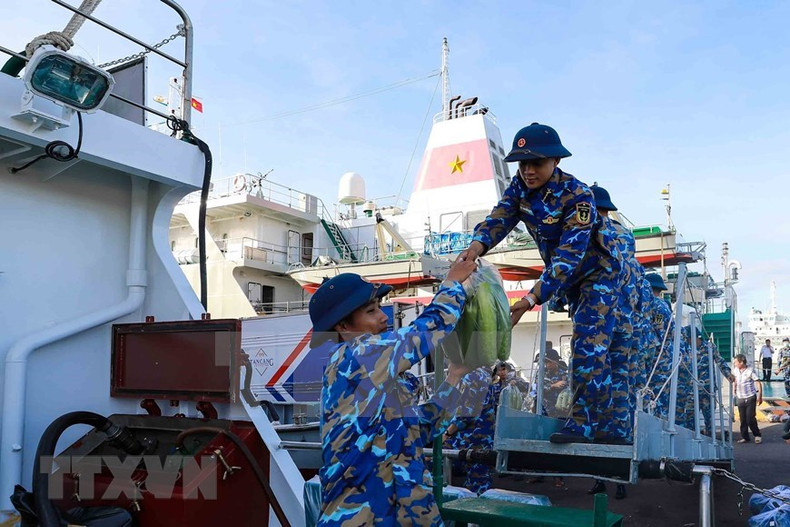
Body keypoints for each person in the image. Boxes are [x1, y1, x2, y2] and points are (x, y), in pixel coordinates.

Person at [458, 122, 625, 444]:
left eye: (536, 163)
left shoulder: (578, 196)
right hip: (566, 280)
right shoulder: (520, 187)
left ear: (555, 161)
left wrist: (529, 300)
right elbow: (499, 219)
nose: (528, 170)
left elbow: (568, 257)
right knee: (589, 349)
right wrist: (474, 250)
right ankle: (602, 425)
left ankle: (585, 426)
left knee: (589, 347)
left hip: (597, 276)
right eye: (522, 164)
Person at [311, 261, 489, 525]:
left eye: (379, 307)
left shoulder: (381, 378)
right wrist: (453, 283)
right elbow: (426, 331)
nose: (383, 317)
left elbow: (418, 431)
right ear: (343, 327)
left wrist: (454, 377)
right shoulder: (355, 357)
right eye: (371, 311)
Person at [590, 185, 640, 443]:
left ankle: (598, 430)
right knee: (621, 376)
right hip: (626, 318)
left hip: (600, 313)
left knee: (595, 371)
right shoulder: (626, 236)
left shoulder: (589, 228)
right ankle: (621, 433)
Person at [644, 273, 675, 420]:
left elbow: (660, 329)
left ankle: (658, 424)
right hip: (664, 357)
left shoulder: (656, 305)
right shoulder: (660, 304)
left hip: (660, 358)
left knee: (657, 395)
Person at [694, 331, 735, 435]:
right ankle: (691, 436)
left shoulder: (710, 347)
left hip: (708, 389)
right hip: (691, 390)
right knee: (690, 417)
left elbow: (720, 361)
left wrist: (728, 374)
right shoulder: (686, 347)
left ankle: (709, 436)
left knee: (709, 416)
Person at [732, 354, 763, 444]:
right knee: (743, 419)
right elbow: (735, 380)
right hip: (740, 397)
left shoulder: (750, 371)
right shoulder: (735, 370)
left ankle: (757, 435)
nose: (735, 364)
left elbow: (758, 382)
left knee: (750, 418)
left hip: (750, 397)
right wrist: (734, 388)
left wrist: (760, 396)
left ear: (741, 362)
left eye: (736, 362)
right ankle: (745, 437)